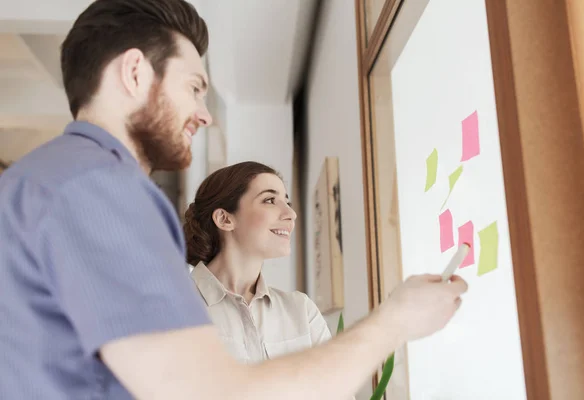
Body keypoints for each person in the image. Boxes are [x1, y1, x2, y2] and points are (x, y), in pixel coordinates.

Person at [0, 1, 468, 399]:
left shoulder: (41, 181)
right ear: (135, 71)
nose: (204, 114)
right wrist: (396, 321)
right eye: (195, 87)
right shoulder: (102, 187)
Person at [183, 161, 333, 364]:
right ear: (225, 219)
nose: (291, 214)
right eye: (270, 200)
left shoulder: (301, 311)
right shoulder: (172, 305)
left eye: (287, 202)